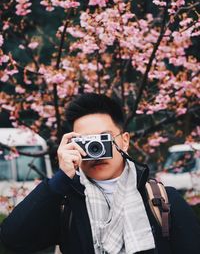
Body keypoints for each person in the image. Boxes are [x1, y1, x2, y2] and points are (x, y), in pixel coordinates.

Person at [0, 93, 200, 254]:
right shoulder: (67, 204)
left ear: (125, 140)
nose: (96, 149)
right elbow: (13, 240)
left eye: (104, 138)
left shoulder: (162, 199)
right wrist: (60, 179)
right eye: (86, 142)